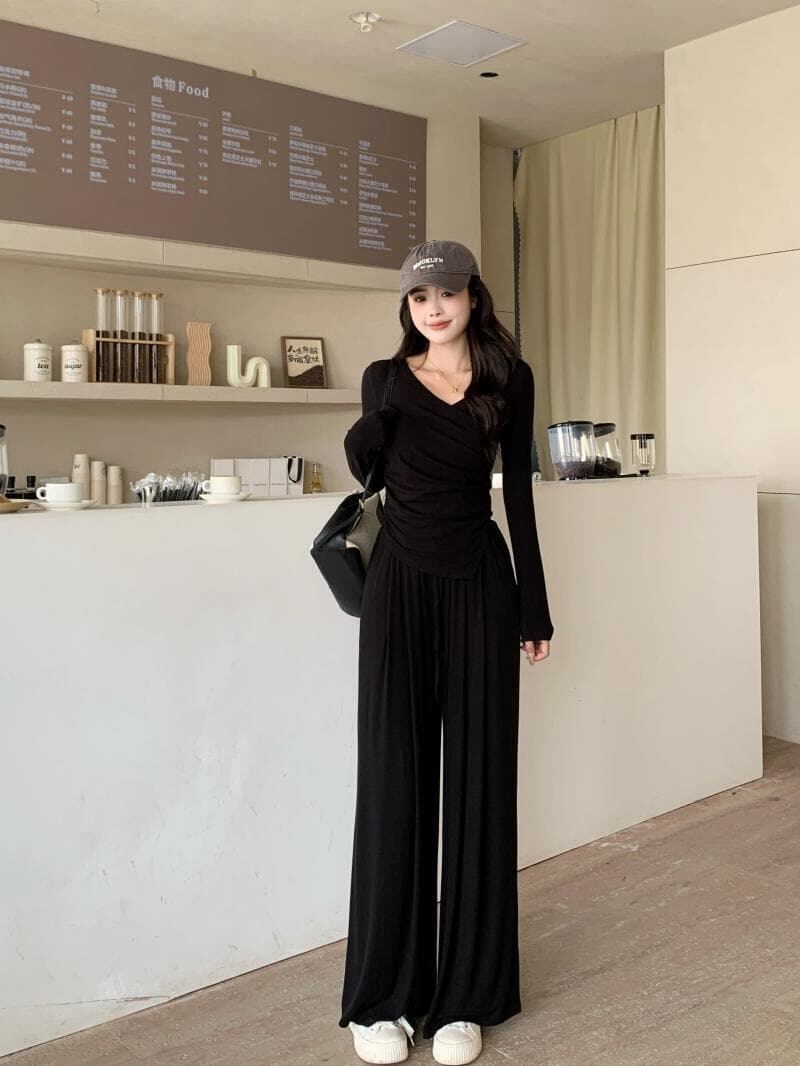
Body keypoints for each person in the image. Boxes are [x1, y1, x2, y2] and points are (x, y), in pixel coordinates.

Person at [338, 239, 554, 1065]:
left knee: (479, 782)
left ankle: (466, 995)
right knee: (393, 780)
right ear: (408, 306)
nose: (434, 308)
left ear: (472, 297)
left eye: (447, 293)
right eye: (419, 297)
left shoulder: (509, 379)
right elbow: (365, 473)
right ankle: (383, 998)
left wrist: (535, 607)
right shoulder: (384, 379)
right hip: (396, 586)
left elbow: (519, 495)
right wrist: (375, 423)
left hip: (479, 583)